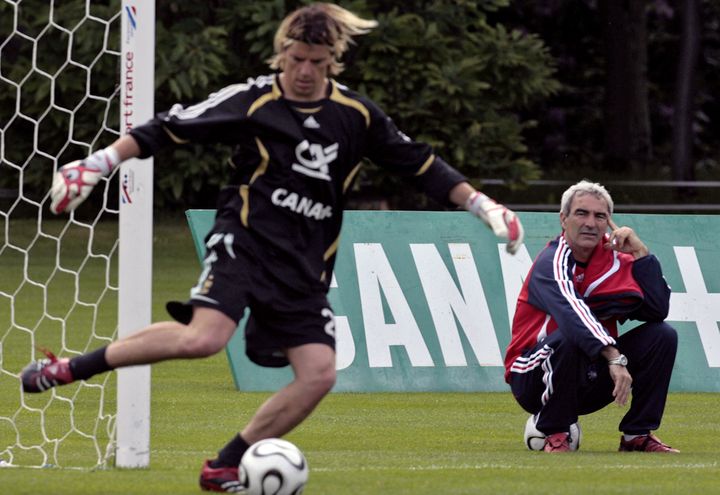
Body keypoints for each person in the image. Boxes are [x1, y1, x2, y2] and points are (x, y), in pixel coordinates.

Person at [21, 3, 524, 493]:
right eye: (296, 59)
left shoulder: (355, 116)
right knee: (204, 339)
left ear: (334, 62)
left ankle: (224, 466)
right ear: (281, 53)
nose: (304, 72)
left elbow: (423, 167)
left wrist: (484, 207)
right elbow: (169, 126)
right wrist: (98, 162)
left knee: (319, 374)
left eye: (317, 63)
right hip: (244, 241)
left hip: (304, 268)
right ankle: (68, 368)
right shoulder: (254, 100)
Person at [505, 180, 678, 453]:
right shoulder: (550, 262)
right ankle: (555, 430)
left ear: (609, 222)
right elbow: (573, 314)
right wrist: (615, 358)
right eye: (581, 213)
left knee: (663, 335)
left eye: (600, 216)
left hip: (590, 377)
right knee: (570, 336)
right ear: (563, 219)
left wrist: (641, 254)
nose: (590, 223)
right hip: (532, 377)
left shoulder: (615, 259)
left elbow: (657, 309)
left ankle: (637, 435)